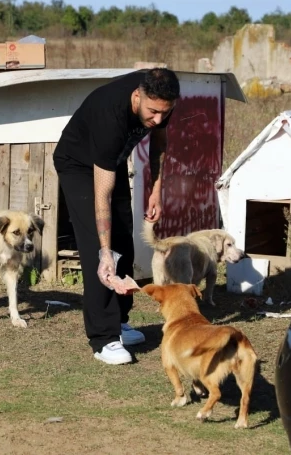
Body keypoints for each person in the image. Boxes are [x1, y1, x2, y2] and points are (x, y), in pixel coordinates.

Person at [53, 68, 180, 365]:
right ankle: (103, 338)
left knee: (125, 234)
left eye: (165, 112)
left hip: (112, 160)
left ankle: (120, 322)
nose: (158, 119)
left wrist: (156, 190)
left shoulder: (161, 97)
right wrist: (105, 251)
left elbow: (160, 145)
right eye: (152, 112)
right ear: (137, 97)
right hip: (79, 164)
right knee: (97, 248)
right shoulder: (109, 116)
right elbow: (102, 197)